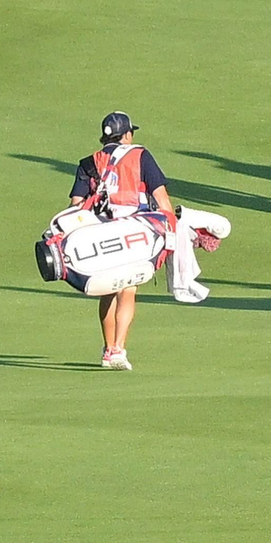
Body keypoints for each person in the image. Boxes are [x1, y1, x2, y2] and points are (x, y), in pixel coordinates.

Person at [69, 112, 175, 371]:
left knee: (107, 290)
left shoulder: (89, 162)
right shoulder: (141, 156)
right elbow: (161, 197)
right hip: (133, 230)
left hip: (99, 234)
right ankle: (118, 349)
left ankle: (108, 350)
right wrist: (172, 230)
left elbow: (75, 207)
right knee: (128, 288)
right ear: (127, 135)